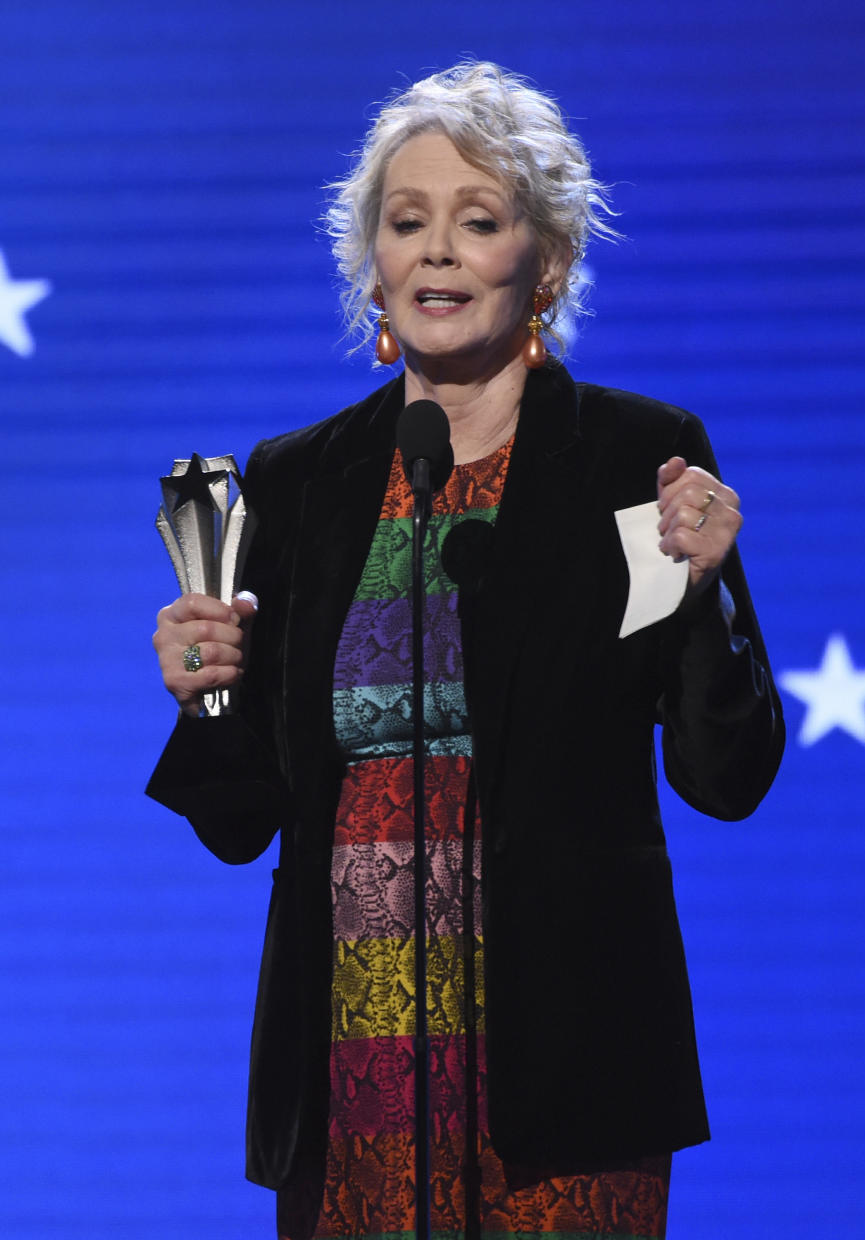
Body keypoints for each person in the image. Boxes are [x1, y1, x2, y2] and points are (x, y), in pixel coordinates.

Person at [148, 62, 784, 1240]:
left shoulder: (632, 462)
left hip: (567, 1073)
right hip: (350, 1069)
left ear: (542, 265)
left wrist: (704, 600)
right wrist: (206, 696)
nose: (437, 251)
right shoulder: (296, 483)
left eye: (477, 221)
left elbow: (725, 775)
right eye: (407, 222)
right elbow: (243, 820)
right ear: (375, 267)